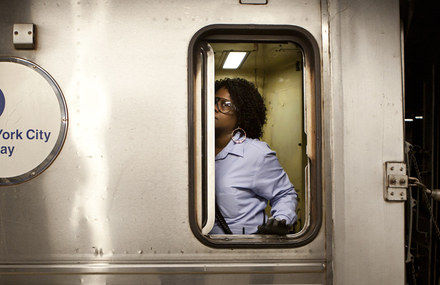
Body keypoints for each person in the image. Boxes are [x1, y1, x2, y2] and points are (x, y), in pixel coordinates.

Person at [210, 77, 298, 235]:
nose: (215, 108)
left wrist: (281, 219)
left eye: (225, 104)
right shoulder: (193, 149)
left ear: (241, 114)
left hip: (243, 248)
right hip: (200, 248)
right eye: (214, 101)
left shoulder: (256, 154)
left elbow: (284, 194)